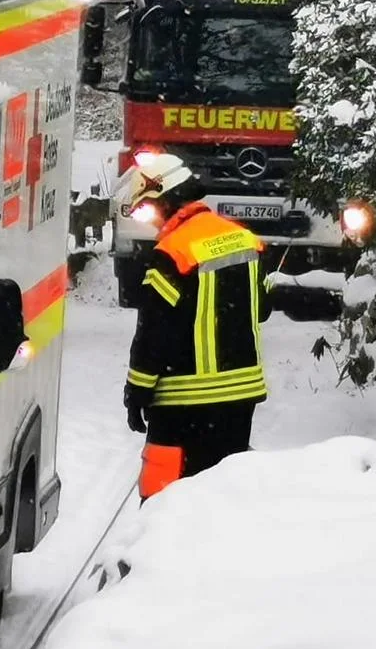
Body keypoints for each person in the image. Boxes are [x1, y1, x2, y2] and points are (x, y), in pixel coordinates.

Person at [115, 152, 272, 500]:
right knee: (223, 494)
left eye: (149, 209)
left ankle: (158, 553)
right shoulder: (246, 240)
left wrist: (137, 391)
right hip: (240, 400)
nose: (152, 221)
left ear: (166, 197)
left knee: (165, 497)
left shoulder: (172, 252)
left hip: (183, 403)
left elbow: (153, 332)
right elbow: (262, 308)